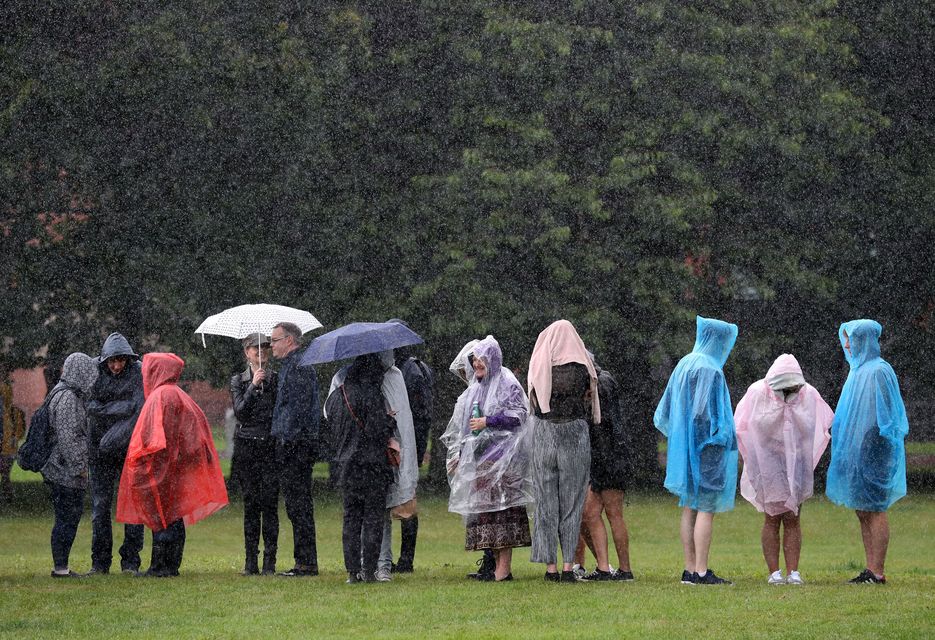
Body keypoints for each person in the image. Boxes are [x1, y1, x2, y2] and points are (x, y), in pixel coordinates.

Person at [116, 353, 228, 577]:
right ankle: (171, 564)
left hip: (161, 470)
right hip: (175, 470)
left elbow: (153, 438)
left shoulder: (160, 396)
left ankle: (160, 567)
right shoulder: (179, 395)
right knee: (174, 517)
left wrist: (143, 463)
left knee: (161, 517)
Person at [654, 315, 739, 586]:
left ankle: (690, 569)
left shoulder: (684, 363)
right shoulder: (710, 369)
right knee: (706, 507)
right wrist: (720, 436)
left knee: (689, 505)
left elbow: (666, 411)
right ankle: (702, 571)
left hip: (686, 448)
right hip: (707, 448)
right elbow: (705, 413)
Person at [735, 353, 833, 585]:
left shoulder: (808, 394)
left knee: (793, 516)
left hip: (797, 463)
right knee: (772, 517)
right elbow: (743, 425)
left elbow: (819, 422)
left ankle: (793, 571)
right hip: (768, 465)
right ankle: (774, 572)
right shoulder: (758, 392)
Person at [825, 320, 909, 585]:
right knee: (863, 509)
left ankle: (878, 571)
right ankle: (869, 569)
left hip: (875, 453)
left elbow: (887, 418)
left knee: (875, 508)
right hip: (857, 454)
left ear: (864, 339)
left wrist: (872, 444)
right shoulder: (857, 372)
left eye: (851, 339)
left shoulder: (879, 371)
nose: (847, 344)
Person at [325, 350, 417, 583]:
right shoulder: (371, 394)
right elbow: (377, 431)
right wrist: (390, 419)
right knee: (374, 519)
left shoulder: (336, 396)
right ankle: (369, 571)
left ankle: (352, 571)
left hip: (345, 467)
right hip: (372, 466)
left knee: (351, 520)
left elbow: (333, 430)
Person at [446, 335, 532, 582]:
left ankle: (503, 570)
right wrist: (460, 456)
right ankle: (495, 567)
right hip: (482, 462)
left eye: (481, 360)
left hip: (504, 462)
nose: (476, 365)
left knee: (503, 513)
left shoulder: (507, 382)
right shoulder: (476, 388)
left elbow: (519, 416)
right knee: (487, 513)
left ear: (493, 358)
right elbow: (466, 427)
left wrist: (489, 421)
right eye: (475, 360)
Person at [528, 320, 600, 583]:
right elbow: (591, 397)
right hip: (574, 435)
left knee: (546, 503)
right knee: (572, 503)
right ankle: (569, 565)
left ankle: (550, 566)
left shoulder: (540, 365)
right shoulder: (582, 368)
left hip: (545, 433)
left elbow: (534, 402)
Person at [85, 332, 146, 575]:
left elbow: (140, 408)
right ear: (104, 361)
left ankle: (130, 561)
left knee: (133, 506)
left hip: (129, 449)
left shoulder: (138, 372)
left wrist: (106, 409)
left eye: (121, 361)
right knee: (100, 508)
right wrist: (121, 407)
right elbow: (89, 405)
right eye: (112, 362)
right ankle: (100, 563)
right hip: (99, 450)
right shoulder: (94, 371)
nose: (117, 366)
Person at [573, 353, 634, 581]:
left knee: (613, 514)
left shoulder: (602, 383)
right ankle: (604, 567)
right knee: (588, 514)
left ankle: (625, 570)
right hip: (602, 458)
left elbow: (603, 424)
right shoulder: (601, 380)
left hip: (609, 458)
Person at [440, 338, 497, 580]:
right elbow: (460, 432)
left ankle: (492, 561)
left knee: (487, 512)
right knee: (482, 512)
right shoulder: (473, 394)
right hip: (477, 461)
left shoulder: (483, 393)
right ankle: (488, 559)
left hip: (486, 460)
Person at [270, 321, 320, 577]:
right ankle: (304, 560)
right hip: (292, 443)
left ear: (289, 340)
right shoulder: (291, 366)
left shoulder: (299, 367)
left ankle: (306, 562)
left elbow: (297, 411)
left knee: (299, 505)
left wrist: (285, 440)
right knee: (296, 505)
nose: (271, 346)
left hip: (295, 446)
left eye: (275, 341)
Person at [41, 352, 97, 577]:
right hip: (63, 472)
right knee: (66, 519)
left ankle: (61, 567)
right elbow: (69, 439)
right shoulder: (68, 399)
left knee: (66, 519)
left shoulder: (62, 393)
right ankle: (61, 568)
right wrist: (80, 469)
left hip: (59, 469)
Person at [388, 318, 435, 573]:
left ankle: (406, 560)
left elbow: (419, 415)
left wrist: (411, 450)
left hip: (406, 445)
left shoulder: (410, 371)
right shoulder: (410, 368)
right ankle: (402, 558)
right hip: (406, 444)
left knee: (407, 500)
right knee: (404, 499)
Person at [229, 334, 279, 575]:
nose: (261, 351)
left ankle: (270, 562)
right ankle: (251, 562)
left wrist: (265, 384)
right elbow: (240, 412)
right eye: (255, 348)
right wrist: (252, 386)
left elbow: (277, 412)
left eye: (265, 347)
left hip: (269, 447)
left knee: (270, 505)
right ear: (246, 352)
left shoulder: (276, 379)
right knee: (251, 505)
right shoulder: (238, 380)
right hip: (247, 447)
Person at [1, 367, 27, 504]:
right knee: (5, 474)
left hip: (7, 447)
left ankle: (7, 496)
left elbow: (19, 430)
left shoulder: (12, 412)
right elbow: (19, 431)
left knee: (5, 474)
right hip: (8, 447)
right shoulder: (13, 411)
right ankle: (7, 496)